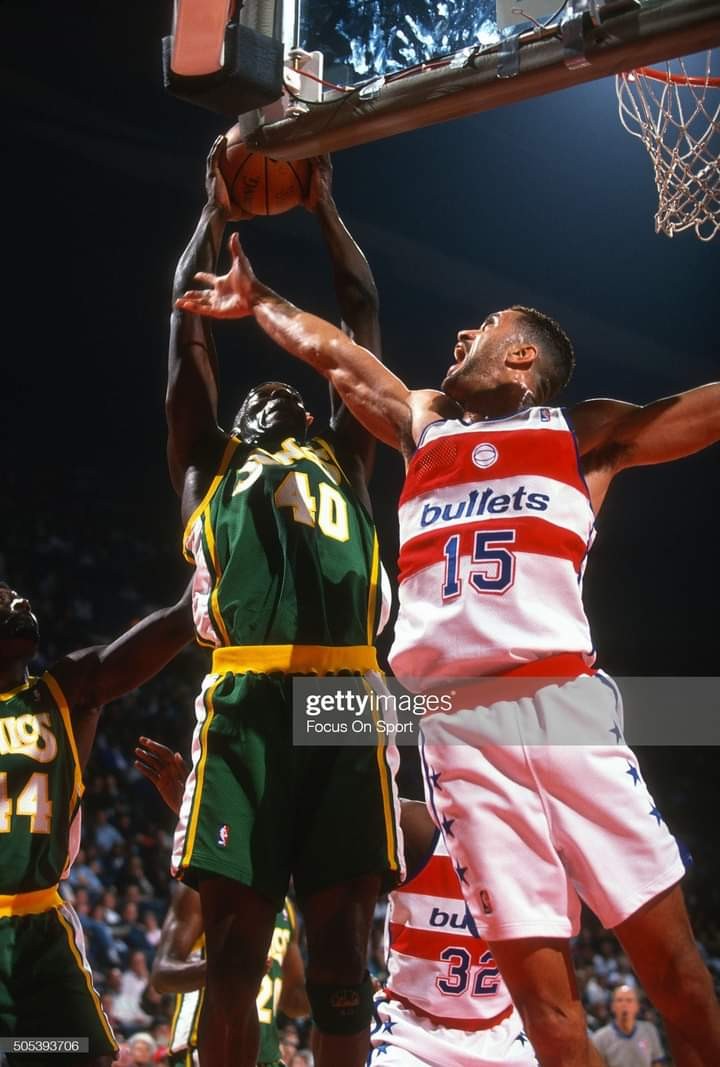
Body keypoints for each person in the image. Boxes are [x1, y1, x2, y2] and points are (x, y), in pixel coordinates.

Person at [175, 237, 720, 1067]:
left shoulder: (580, 433)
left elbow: (698, 410)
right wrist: (260, 302)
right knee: (546, 1012)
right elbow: (339, 357)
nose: (462, 335)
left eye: (485, 327)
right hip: (455, 729)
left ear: (523, 356)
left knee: (676, 976)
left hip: (562, 704)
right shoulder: (424, 426)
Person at [166, 143, 402, 1067]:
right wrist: (213, 211)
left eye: (290, 387)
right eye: (258, 389)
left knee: (341, 960)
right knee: (233, 958)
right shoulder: (209, 463)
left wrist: (324, 208)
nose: (277, 390)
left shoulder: (346, 454)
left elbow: (361, 316)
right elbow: (183, 325)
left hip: (344, 696)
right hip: (248, 700)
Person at [0, 581, 193, 1066]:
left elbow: (179, 619)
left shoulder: (65, 690)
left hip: (39, 920)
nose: (17, 600)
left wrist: (210, 548)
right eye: (1, 596)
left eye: (17, 594)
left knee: (83, 1054)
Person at [134, 737, 310, 1067]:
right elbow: (162, 975)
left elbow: (294, 1000)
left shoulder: (286, 910)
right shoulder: (204, 887)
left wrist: (342, 987)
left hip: (263, 1057)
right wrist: (225, 969)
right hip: (200, 1052)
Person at [369, 798, 537, 1067]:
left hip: (503, 1036)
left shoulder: (535, 846)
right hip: (411, 1035)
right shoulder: (415, 826)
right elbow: (342, 893)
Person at [592, 986, 666, 1067]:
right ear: (613, 1006)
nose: (624, 1004)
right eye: (619, 1000)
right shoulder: (600, 1038)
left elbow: (657, 1062)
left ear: (637, 1006)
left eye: (629, 1000)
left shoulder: (649, 1030)